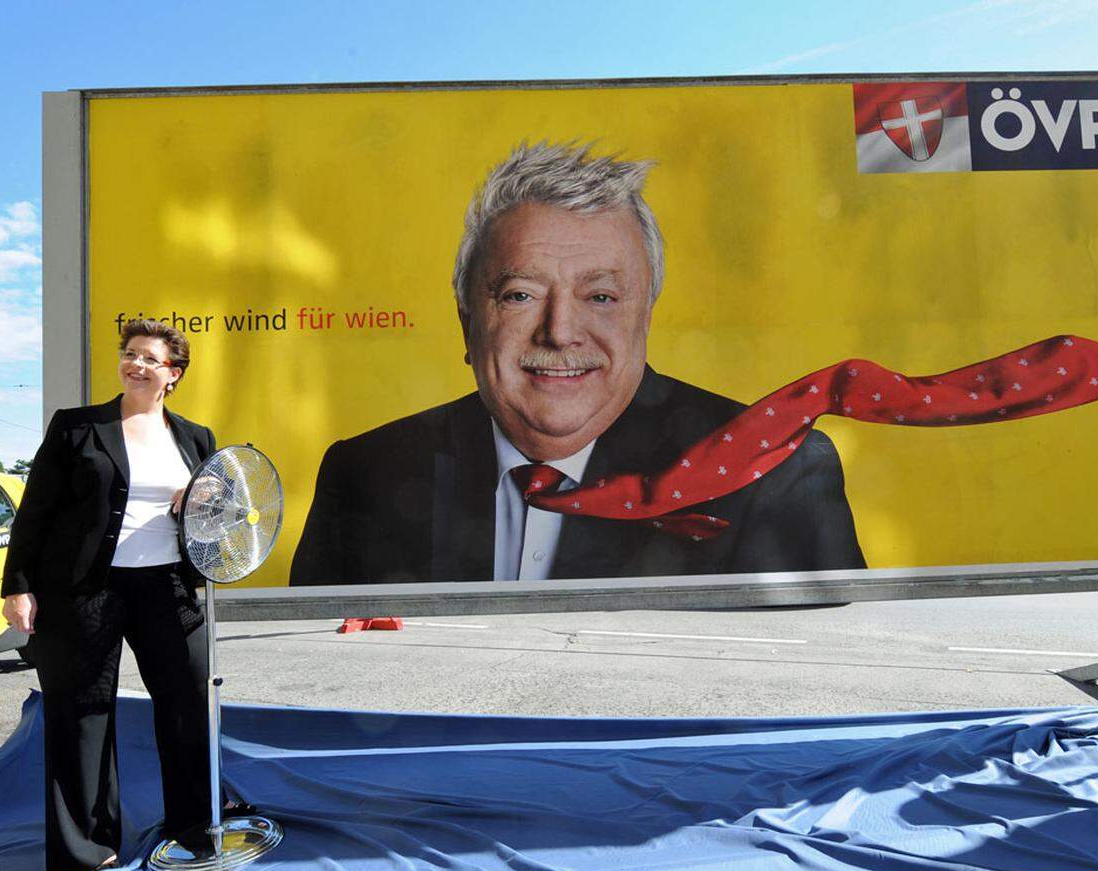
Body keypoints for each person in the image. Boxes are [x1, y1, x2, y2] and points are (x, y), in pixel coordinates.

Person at [290, 141, 865, 586]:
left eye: (601, 297)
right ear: (468, 323)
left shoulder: (773, 474)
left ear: (645, 316)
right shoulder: (364, 477)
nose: (560, 331)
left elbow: (817, 712)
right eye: (520, 294)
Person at [0, 319, 246, 871]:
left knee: (188, 705)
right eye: (129, 354)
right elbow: (34, 512)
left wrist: (202, 497)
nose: (135, 364)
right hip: (85, 592)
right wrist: (18, 585)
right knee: (82, 715)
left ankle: (194, 823)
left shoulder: (196, 438)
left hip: (171, 589)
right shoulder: (75, 428)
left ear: (173, 374)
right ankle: (86, 846)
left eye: (149, 359)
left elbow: (222, 519)